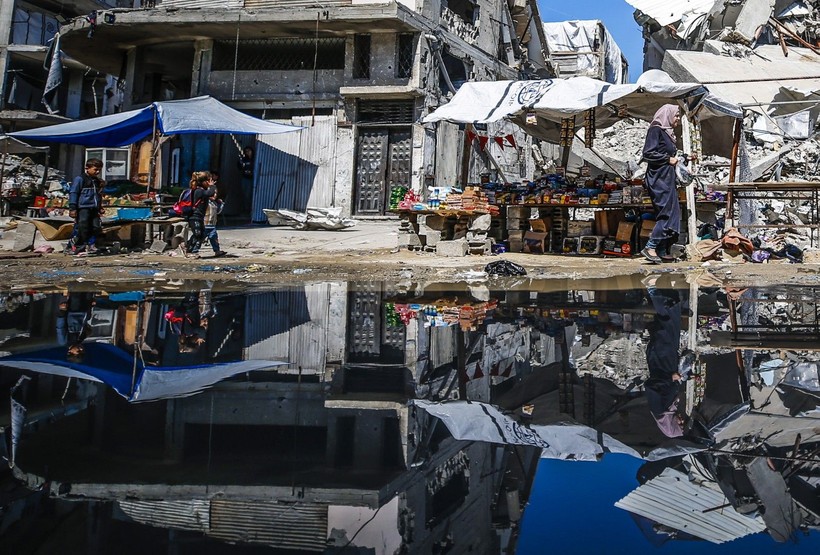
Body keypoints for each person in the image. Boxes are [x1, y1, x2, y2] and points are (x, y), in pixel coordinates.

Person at [643, 275, 687, 438]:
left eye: (680, 425)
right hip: (668, 357)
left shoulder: (660, 410)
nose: (682, 421)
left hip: (660, 357)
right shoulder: (671, 408)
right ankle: (665, 283)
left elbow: (650, 386)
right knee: (671, 322)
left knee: (667, 322)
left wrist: (670, 378)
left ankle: (652, 288)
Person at [641, 104, 682, 264]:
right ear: (667, 114)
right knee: (666, 213)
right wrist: (667, 159)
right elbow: (648, 153)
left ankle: (663, 249)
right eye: (676, 115)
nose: (678, 118)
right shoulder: (655, 130)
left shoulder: (668, 133)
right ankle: (650, 247)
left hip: (667, 178)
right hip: (658, 179)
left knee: (674, 213)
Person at [68, 158, 104, 255]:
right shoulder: (80, 179)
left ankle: (91, 245)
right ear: (87, 168)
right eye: (95, 169)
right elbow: (74, 193)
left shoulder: (96, 181)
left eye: (99, 170)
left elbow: (98, 195)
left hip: (94, 208)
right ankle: (78, 246)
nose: (98, 172)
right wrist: (73, 208)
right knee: (82, 227)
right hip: (83, 207)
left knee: (96, 227)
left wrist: (100, 207)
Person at [56, 291, 96, 361]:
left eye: (78, 351)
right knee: (89, 291)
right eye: (82, 351)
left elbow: (60, 327)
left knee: (76, 292)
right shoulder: (81, 339)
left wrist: (62, 311)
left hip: (73, 311)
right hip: (85, 312)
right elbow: (85, 323)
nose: (81, 349)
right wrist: (91, 306)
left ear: (70, 352)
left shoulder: (64, 341)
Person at [184, 171, 216, 258]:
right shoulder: (198, 191)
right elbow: (210, 193)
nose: (209, 183)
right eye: (208, 181)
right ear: (203, 182)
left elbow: (211, 195)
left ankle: (188, 247)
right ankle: (188, 250)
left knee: (200, 234)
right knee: (197, 234)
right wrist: (212, 186)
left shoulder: (201, 191)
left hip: (199, 217)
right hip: (194, 216)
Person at [204, 170, 227, 257]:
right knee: (199, 238)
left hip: (212, 223)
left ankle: (217, 251)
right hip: (205, 222)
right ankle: (192, 250)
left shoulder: (214, 203)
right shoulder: (205, 199)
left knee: (214, 237)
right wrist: (212, 187)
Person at [238, 146, 254, 216]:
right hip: (246, 178)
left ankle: (251, 209)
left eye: (249, 151)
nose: (248, 153)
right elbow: (239, 168)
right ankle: (246, 210)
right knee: (246, 195)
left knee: (251, 195)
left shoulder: (255, 159)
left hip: (253, 178)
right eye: (246, 151)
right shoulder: (244, 159)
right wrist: (240, 162)